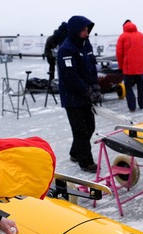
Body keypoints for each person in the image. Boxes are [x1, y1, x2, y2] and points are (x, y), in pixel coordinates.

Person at [57, 15, 101, 173]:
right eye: (83, 29)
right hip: (72, 98)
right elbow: (71, 76)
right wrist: (87, 90)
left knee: (89, 127)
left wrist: (95, 86)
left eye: (87, 29)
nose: (87, 32)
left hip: (85, 95)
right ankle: (86, 161)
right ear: (76, 30)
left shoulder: (86, 44)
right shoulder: (66, 49)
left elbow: (92, 67)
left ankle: (75, 153)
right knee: (80, 130)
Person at [116, 19, 143, 112]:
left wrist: (120, 66)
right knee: (140, 85)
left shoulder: (122, 36)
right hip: (140, 66)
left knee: (128, 86)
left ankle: (132, 106)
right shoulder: (141, 35)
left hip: (128, 68)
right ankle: (142, 104)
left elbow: (119, 53)